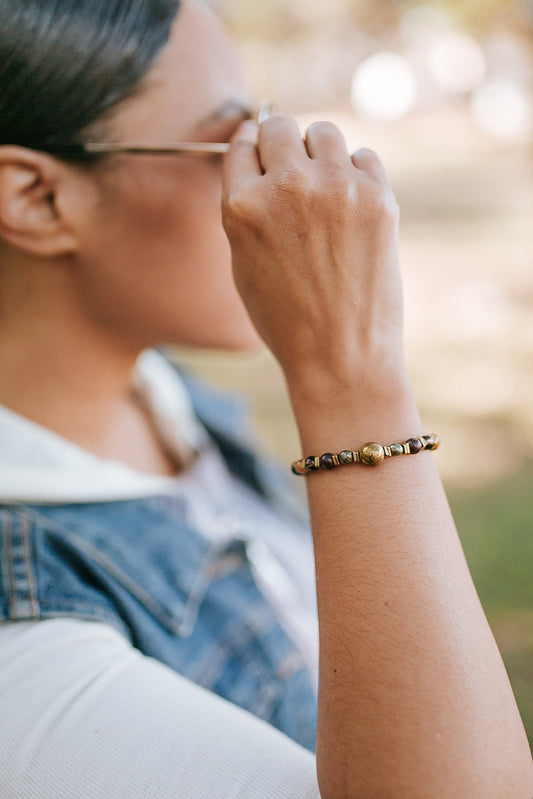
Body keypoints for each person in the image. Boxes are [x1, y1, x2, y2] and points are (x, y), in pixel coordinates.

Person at [0, 0, 531, 796]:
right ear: (37, 198)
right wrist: (351, 378)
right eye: (231, 141)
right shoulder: (27, 646)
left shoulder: (163, 391)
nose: (277, 184)